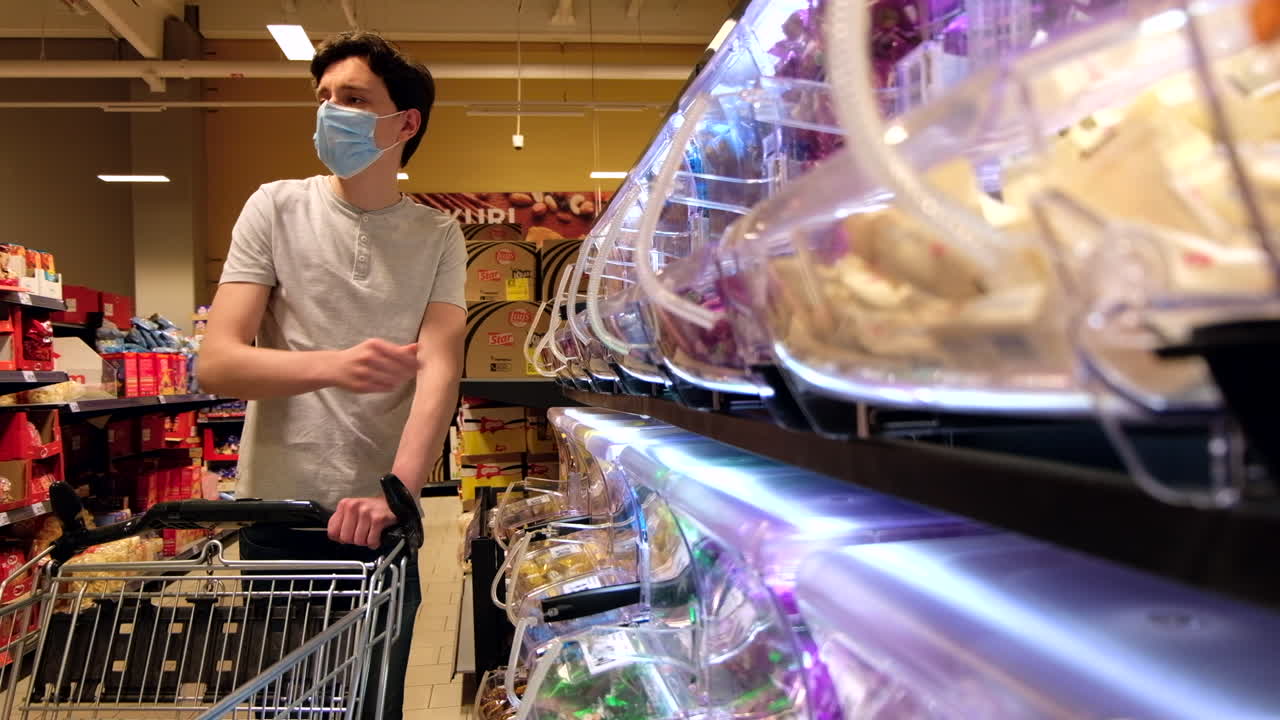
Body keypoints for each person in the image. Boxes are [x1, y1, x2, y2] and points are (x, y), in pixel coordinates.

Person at [199, 31, 465, 719]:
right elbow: (219, 362)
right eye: (323, 98)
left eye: (353, 99)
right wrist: (335, 366)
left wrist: (399, 492)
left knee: (374, 705)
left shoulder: (438, 236)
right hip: (279, 514)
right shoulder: (274, 207)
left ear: (405, 122)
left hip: (380, 519)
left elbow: (440, 368)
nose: (330, 113)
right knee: (286, 707)